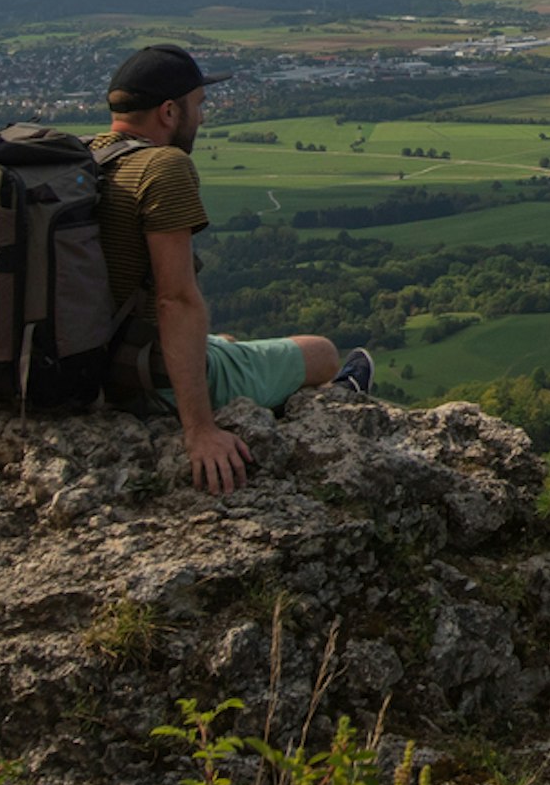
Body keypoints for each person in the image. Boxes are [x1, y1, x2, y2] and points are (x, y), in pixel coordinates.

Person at [98, 43, 373, 492]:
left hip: (90, 361)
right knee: (320, 351)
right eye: (198, 105)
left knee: (222, 340)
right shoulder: (162, 167)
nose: (202, 118)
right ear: (169, 111)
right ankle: (336, 402)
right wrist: (199, 430)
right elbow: (176, 300)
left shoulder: (85, 160)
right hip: (144, 378)